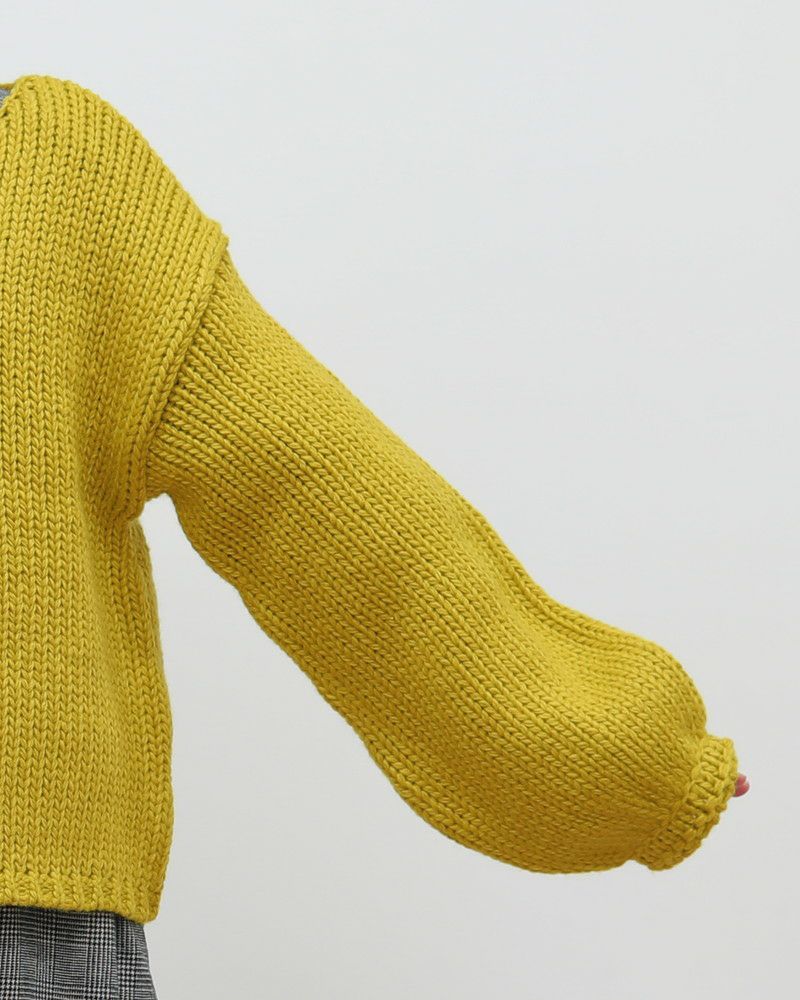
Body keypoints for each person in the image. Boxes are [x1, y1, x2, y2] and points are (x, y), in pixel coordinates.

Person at [0, 76, 748, 998]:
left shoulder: (49, 179)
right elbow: (319, 495)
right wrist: (626, 756)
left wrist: (623, 761)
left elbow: (320, 501)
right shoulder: (42, 173)